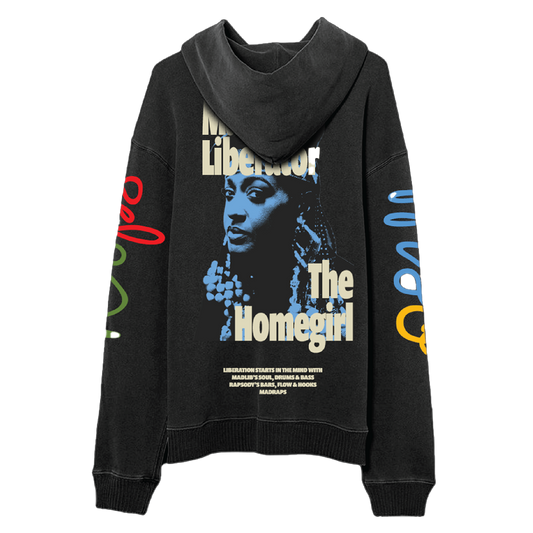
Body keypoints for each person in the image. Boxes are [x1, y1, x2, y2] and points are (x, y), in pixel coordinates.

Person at [197, 145, 354, 342]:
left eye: (255, 194)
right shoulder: (219, 289)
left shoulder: (345, 287)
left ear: (302, 204)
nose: (233, 211)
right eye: (229, 194)